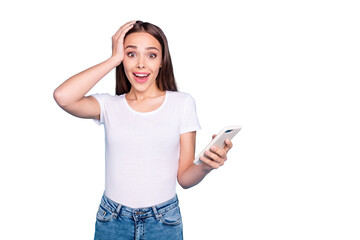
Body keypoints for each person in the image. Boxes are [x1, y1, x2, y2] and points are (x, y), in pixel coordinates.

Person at [53, 20, 233, 240]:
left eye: (151, 55)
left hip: (163, 221)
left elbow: (185, 179)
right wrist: (113, 59)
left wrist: (205, 165)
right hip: (112, 220)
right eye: (130, 54)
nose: (140, 64)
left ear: (162, 62)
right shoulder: (109, 106)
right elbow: (63, 97)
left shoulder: (182, 104)